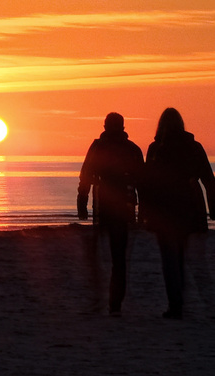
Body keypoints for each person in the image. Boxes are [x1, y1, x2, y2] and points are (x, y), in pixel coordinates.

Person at [139, 108, 215, 319]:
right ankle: (179, 301)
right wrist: (214, 210)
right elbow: (208, 179)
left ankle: (176, 304)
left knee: (170, 258)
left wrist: (144, 212)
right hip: (188, 207)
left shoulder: (156, 148)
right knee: (180, 255)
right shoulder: (192, 147)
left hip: (165, 208)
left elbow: (148, 184)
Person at [77, 112, 144, 314]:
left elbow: (86, 174)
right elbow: (143, 182)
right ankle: (114, 303)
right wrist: (145, 209)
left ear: (105, 126)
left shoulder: (99, 147)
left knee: (101, 255)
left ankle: (107, 301)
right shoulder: (131, 149)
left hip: (104, 206)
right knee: (118, 258)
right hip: (123, 207)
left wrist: (82, 200)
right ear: (123, 127)